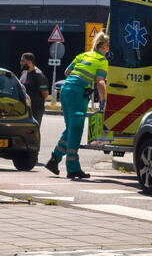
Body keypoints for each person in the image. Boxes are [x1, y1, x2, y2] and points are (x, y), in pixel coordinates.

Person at [45, 32, 109, 179]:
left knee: (70, 128)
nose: (107, 50)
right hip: (77, 93)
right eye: (107, 47)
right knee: (76, 129)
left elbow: (67, 71)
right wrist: (103, 100)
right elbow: (100, 82)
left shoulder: (83, 55)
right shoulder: (101, 60)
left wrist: (82, 76)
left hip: (66, 90)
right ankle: (72, 168)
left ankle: (55, 159)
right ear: (103, 46)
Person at [19, 52, 49, 125]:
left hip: (35, 109)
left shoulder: (39, 75)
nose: (20, 63)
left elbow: (45, 93)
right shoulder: (24, 72)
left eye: (23, 61)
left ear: (29, 62)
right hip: (25, 108)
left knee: (33, 132)